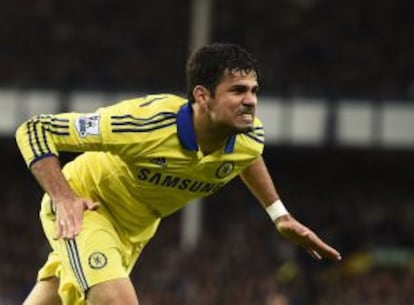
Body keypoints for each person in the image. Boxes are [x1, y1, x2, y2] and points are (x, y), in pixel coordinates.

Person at [16, 43, 341, 305]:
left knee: (53, 292)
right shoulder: (144, 124)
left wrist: (279, 214)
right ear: (202, 95)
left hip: (136, 230)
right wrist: (64, 198)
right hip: (87, 207)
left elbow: (249, 157)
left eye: (254, 91)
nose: (251, 101)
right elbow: (35, 130)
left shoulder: (249, 137)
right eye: (238, 91)